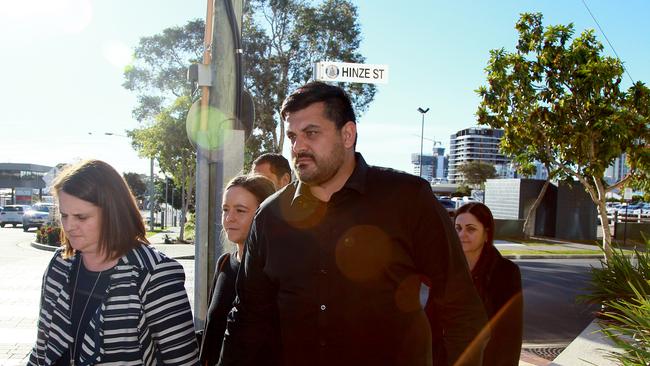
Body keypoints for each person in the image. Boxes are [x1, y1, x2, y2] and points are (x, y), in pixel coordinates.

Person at [219, 81, 488, 366]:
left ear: (348, 135)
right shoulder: (270, 217)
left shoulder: (407, 199)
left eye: (311, 133)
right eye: (293, 136)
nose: (298, 147)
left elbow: (461, 309)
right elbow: (248, 318)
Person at [28, 159, 199, 366]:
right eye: (64, 215)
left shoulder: (154, 274)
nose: (69, 226)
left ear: (112, 213)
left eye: (81, 217)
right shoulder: (60, 264)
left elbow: (183, 362)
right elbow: (41, 348)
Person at [199, 174, 276, 366]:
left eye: (240, 211)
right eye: (225, 209)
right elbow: (212, 331)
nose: (229, 218)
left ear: (263, 215)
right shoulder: (224, 263)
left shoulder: (274, 274)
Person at [454, 202, 523, 366]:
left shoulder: (506, 272)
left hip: (487, 359)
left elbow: (510, 334)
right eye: (458, 228)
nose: (462, 234)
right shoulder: (447, 267)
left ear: (486, 234)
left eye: (471, 229)